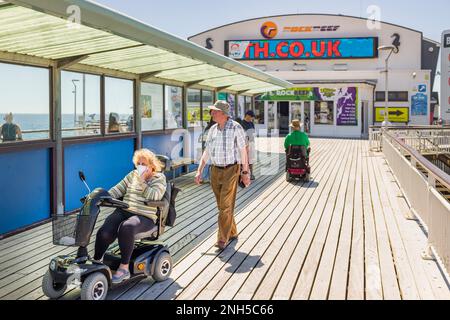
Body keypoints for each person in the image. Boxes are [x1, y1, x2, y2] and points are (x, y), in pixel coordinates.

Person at [93, 149, 167, 284]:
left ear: (151, 166)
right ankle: (97, 262)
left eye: (143, 164)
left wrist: (143, 182)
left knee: (126, 227)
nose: (140, 166)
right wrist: (102, 197)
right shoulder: (132, 175)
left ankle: (124, 268)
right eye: (138, 163)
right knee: (105, 230)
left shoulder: (159, 178)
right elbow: (117, 189)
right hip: (125, 210)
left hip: (145, 216)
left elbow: (155, 196)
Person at [195, 100, 250, 250]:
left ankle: (222, 239)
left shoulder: (236, 127)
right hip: (215, 170)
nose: (212, 113)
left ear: (224, 114)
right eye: (212, 110)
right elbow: (207, 151)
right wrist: (200, 169)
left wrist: (245, 172)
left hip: (231, 170)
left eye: (215, 111)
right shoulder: (212, 129)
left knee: (225, 206)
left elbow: (243, 150)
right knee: (222, 206)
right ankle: (232, 232)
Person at [200, 113, 216, 183]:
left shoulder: (207, 128)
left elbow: (203, 139)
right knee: (210, 164)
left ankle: (204, 177)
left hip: (207, 147)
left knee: (207, 163)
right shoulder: (213, 128)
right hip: (211, 148)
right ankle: (206, 178)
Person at [241, 110, 256, 180]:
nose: (251, 118)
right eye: (251, 117)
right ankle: (244, 174)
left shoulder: (251, 123)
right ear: (247, 115)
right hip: (244, 143)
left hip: (251, 143)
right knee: (244, 159)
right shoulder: (241, 123)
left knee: (251, 159)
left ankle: (251, 174)